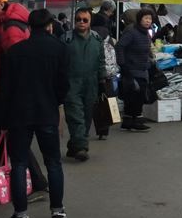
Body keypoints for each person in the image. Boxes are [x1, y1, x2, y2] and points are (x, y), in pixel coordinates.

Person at [0, 9, 69, 218]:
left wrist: (1, 120)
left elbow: (5, 89)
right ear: (49, 26)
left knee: (19, 164)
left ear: (29, 27)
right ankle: (57, 210)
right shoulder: (60, 49)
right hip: (47, 113)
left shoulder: (15, 51)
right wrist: (55, 102)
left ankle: (20, 214)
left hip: (19, 115)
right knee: (54, 163)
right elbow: (64, 85)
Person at [0, 0, 49, 203]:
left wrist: (11, 96)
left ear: (0, 4)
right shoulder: (6, 22)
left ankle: (37, 182)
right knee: (9, 138)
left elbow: (19, 64)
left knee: (14, 139)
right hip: (8, 92)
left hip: (10, 94)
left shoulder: (10, 28)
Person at [60, 8, 105, 160]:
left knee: (86, 117)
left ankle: (74, 146)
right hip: (71, 83)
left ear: (90, 21)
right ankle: (81, 147)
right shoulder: (66, 39)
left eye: (85, 20)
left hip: (91, 84)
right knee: (75, 115)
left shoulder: (97, 39)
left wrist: (102, 80)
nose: (81, 22)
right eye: (78, 19)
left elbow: (101, 61)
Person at [115, 8, 155, 132]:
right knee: (136, 96)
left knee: (135, 95)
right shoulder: (132, 32)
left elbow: (146, 48)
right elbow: (120, 46)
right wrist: (122, 64)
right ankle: (136, 121)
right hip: (132, 69)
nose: (148, 21)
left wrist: (150, 58)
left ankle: (128, 121)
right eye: (146, 18)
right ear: (139, 19)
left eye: (150, 19)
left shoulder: (146, 33)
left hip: (143, 68)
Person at [91, 14, 120, 140]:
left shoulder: (89, 35)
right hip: (108, 74)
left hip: (92, 74)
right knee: (108, 100)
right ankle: (105, 130)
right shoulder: (110, 38)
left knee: (94, 103)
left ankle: (93, 128)